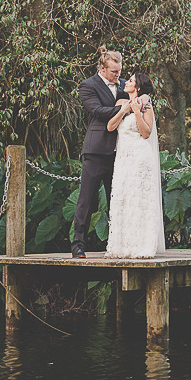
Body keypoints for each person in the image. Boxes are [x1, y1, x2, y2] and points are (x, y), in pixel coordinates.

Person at [72, 47, 129, 258]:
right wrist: (123, 109)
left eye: (120, 71)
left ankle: (119, 244)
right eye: (114, 72)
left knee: (119, 200)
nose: (118, 75)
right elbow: (96, 111)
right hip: (96, 152)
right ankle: (78, 245)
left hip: (121, 153)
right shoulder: (88, 85)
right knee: (87, 200)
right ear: (102, 69)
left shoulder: (124, 85)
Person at [104, 73, 165, 259]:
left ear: (137, 87)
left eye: (130, 81)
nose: (126, 82)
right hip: (123, 159)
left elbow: (146, 133)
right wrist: (125, 110)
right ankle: (121, 246)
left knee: (139, 200)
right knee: (123, 200)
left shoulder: (146, 107)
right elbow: (110, 127)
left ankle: (142, 245)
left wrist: (137, 111)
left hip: (140, 158)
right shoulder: (120, 103)